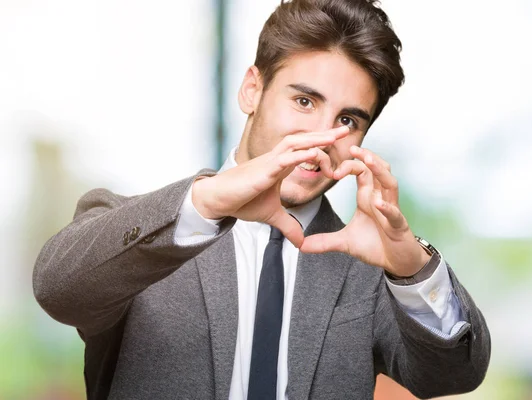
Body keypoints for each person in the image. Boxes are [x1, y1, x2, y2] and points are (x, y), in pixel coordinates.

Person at [33, 0, 491, 399]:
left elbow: (454, 374)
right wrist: (206, 203)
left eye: (348, 119)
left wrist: (411, 265)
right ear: (252, 89)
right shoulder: (143, 227)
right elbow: (58, 290)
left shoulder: (373, 269)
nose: (321, 138)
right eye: (305, 102)